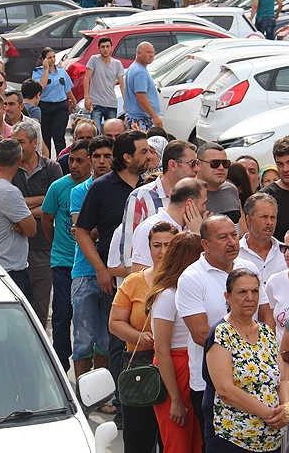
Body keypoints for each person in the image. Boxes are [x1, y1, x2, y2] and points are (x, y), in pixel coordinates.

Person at [76, 131, 153, 423]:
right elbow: (82, 231)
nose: (149, 157)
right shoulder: (101, 188)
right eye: (143, 152)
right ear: (127, 158)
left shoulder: (150, 188)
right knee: (117, 344)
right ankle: (123, 407)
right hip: (118, 280)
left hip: (150, 280)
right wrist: (100, 269)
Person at [176, 215, 260, 439]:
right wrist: (247, 355)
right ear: (205, 244)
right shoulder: (192, 278)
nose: (232, 242)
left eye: (234, 235)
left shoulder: (249, 268)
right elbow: (200, 333)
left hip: (254, 378)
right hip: (210, 384)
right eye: (222, 237)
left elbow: (264, 320)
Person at [110, 221, 179, 453]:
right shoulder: (134, 282)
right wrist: (141, 336)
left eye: (168, 245)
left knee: (172, 438)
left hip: (176, 366)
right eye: (156, 245)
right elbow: (114, 323)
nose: (161, 251)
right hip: (139, 364)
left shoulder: (185, 281)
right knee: (138, 438)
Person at [202, 268, 289, 453]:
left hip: (270, 440)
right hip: (232, 439)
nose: (250, 297)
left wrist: (286, 409)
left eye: (255, 291)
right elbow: (225, 390)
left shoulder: (266, 333)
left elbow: (282, 379)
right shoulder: (222, 333)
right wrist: (268, 413)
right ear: (228, 297)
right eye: (242, 292)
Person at [147, 232, 205, 453]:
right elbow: (161, 351)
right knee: (177, 444)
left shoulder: (193, 290)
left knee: (197, 443)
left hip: (195, 366)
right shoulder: (167, 296)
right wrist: (175, 400)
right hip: (175, 369)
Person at [69, 135, 115, 390]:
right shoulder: (79, 191)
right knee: (83, 338)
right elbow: (80, 232)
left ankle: (102, 394)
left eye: (107, 156)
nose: (101, 161)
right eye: (96, 156)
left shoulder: (121, 187)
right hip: (85, 272)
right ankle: (82, 392)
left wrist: (90, 229)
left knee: (106, 339)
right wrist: (97, 228)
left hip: (114, 271)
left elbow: (87, 230)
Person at [42, 139, 91, 371]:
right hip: (62, 261)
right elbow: (46, 220)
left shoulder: (95, 188)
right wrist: (57, 246)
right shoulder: (58, 187)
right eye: (71, 160)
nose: (73, 165)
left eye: (79, 161)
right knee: (62, 313)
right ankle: (61, 364)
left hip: (88, 262)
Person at [10, 121, 62, 327]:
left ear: (34, 142)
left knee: (40, 305)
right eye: (14, 142)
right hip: (14, 247)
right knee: (16, 306)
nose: (17, 147)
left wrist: (22, 212)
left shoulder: (52, 168)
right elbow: (9, 203)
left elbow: (55, 207)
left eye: (21, 142)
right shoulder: (10, 168)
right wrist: (42, 199)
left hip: (42, 247)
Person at [119, 139, 199, 274]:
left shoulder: (198, 197)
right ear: (172, 165)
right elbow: (129, 254)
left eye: (197, 163)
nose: (197, 168)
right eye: (192, 164)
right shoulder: (140, 197)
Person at [0, 138, 37, 297]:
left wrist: (20, 222)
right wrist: (21, 222)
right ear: (19, 160)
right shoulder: (9, 192)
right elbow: (31, 230)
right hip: (10, 270)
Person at [130, 178, 206, 272]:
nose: (204, 209)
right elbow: (139, 275)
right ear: (189, 203)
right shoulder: (148, 227)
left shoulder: (195, 227)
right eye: (203, 203)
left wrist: (199, 235)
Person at [238, 193, 287, 293]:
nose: (269, 222)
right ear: (248, 219)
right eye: (264, 217)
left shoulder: (287, 253)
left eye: (273, 217)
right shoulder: (235, 254)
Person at [33, 48, 76, 156]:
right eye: (49, 58)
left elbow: (67, 89)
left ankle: (61, 160)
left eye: (53, 57)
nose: (52, 60)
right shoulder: (38, 72)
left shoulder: (62, 72)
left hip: (60, 106)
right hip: (45, 106)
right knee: (45, 136)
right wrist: (46, 69)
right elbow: (41, 86)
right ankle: (47, 162)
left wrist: (74, 101)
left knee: (58, 136)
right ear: (43, 59)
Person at [84, 37, 126, 131]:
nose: (105, 49)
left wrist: (125, 101)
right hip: (96, 103)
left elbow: (122, 83)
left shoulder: (117, 64)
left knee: (111, 132)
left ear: (112, 47)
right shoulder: (94, 59)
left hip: (111, 103)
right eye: (103, 47)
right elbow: (87, 78)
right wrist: (86, 97)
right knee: (97, 131)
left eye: (107, 46)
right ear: (98, 48)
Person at [124, 42, 161, 131]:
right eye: (148, 52)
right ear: (139, 53)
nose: (151, 55)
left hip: (135, 118)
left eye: (152, 52)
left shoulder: (133, 68)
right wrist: (154, 117)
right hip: (141, 120)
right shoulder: (140, 72)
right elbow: (141, 97)